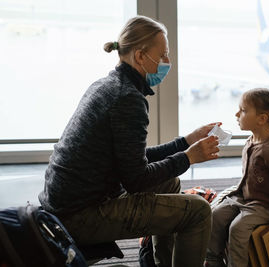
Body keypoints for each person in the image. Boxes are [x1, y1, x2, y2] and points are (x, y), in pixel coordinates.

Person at [38, 15, 220, 267]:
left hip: (63, 205)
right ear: (140, 56)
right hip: (79, 216)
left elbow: (134, 159)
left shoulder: (107, 85)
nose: (168, 62)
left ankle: (159, 263)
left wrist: (185, 142)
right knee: (198, 211)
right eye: (163, 54)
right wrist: (189, 156)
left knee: (169, 181)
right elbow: (137, 180)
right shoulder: (128, 99)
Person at [204, 88, 269, 267]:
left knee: (237, 228)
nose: (237, 114)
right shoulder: (251, 141)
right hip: (245, 197)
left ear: (262, 119)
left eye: (243, 110)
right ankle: (213, 260)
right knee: (215, 216)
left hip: (265, 204)